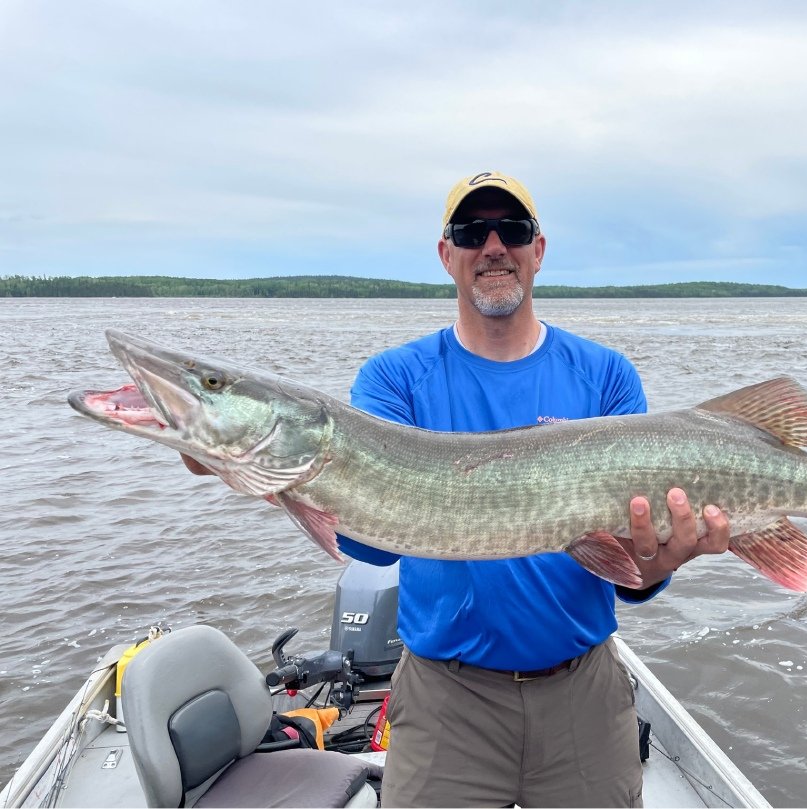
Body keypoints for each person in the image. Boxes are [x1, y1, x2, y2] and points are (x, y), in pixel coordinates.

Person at [183, 170, 731, 807]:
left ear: (538, 249)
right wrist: (280, 481)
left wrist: (659, 562)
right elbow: (378, 549)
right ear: (447, 255)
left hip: (584, 693)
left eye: (513, 230)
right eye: (473, 231)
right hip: (446, 700)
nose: (494, 245)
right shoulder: (395, 379)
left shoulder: (606, 375)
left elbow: (633, 576)